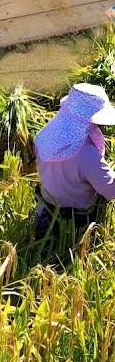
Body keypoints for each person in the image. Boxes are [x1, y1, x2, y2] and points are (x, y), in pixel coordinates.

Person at [33, 83, 115, 247]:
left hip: (44, 211)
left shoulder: (44, 136)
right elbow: (111, 190)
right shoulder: (87, 155)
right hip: (74, 221)